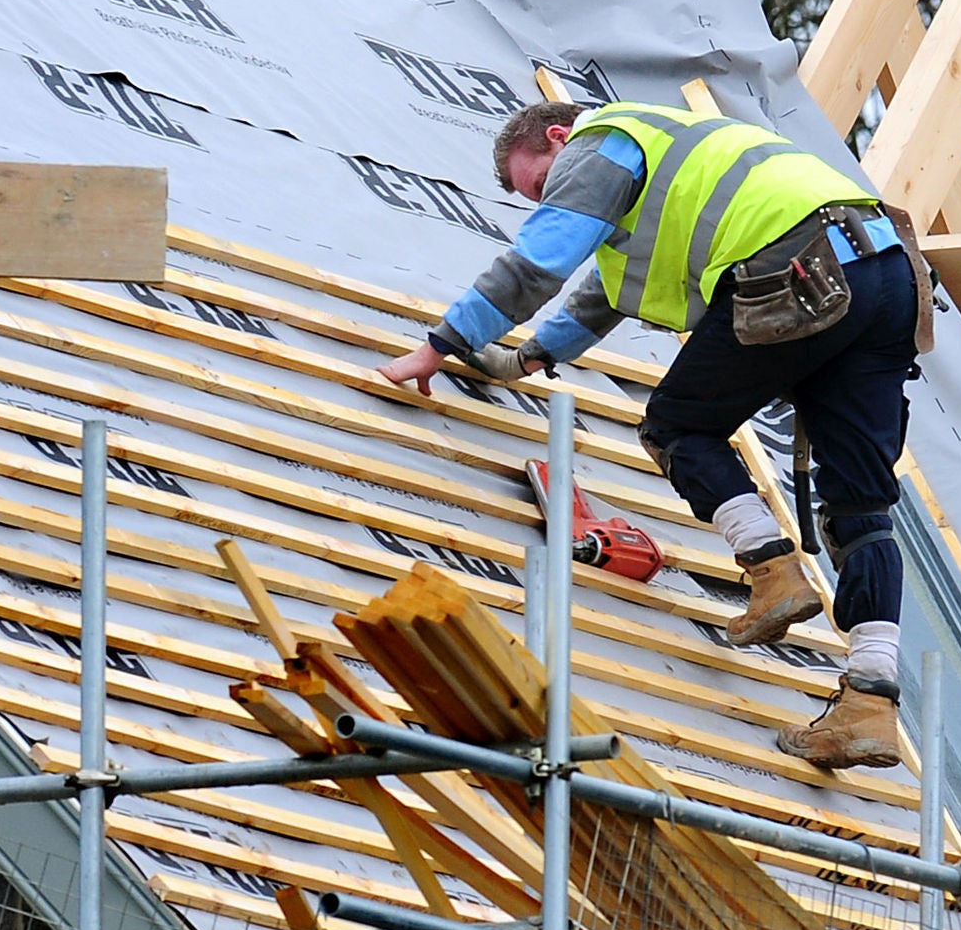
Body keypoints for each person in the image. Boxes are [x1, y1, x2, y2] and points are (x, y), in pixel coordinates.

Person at [373, 97, 932, 770]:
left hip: (799, 263)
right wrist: (526, 358)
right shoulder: (671, 162)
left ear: (559, 136)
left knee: (677, 426)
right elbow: (608, 292)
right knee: (862, 508)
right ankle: (870, 701)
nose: (549, 203)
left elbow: (538, 263)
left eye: (542, 186)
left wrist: (440, 343)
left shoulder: (604, 142)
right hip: (887, 269)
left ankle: (773, 571)